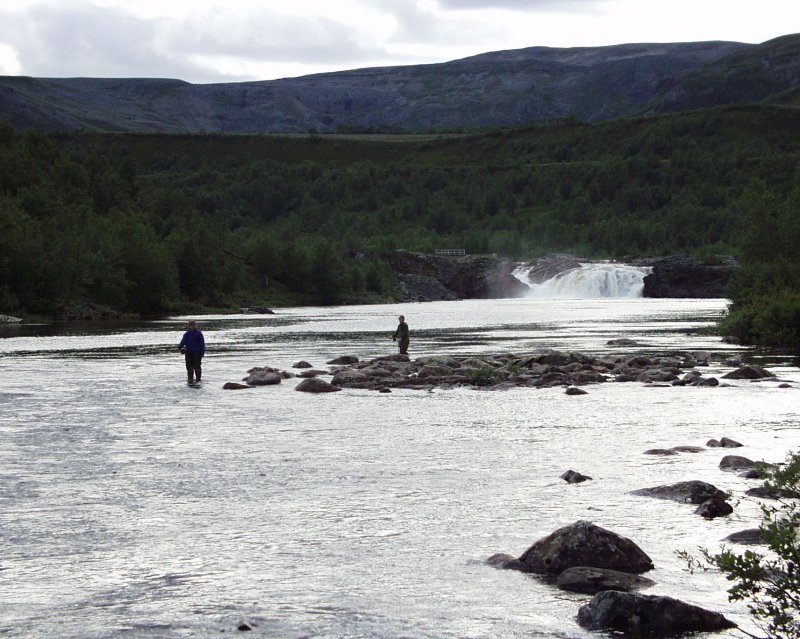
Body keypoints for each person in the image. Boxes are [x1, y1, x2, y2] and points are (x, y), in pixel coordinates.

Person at [178, 319, 205, 384]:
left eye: (193, 325)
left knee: (197, 367)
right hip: (188, 353)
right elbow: (182, 342)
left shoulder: (199, 333)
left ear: (195, 325)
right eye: (190, 325)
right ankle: (190, 379)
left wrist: (202, 353)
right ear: (188, 326)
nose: (191, 326)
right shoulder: (186, 334)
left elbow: (202, 344)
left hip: (197, 353)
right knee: (189, 367)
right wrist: (179, 347)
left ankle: (198, 379)